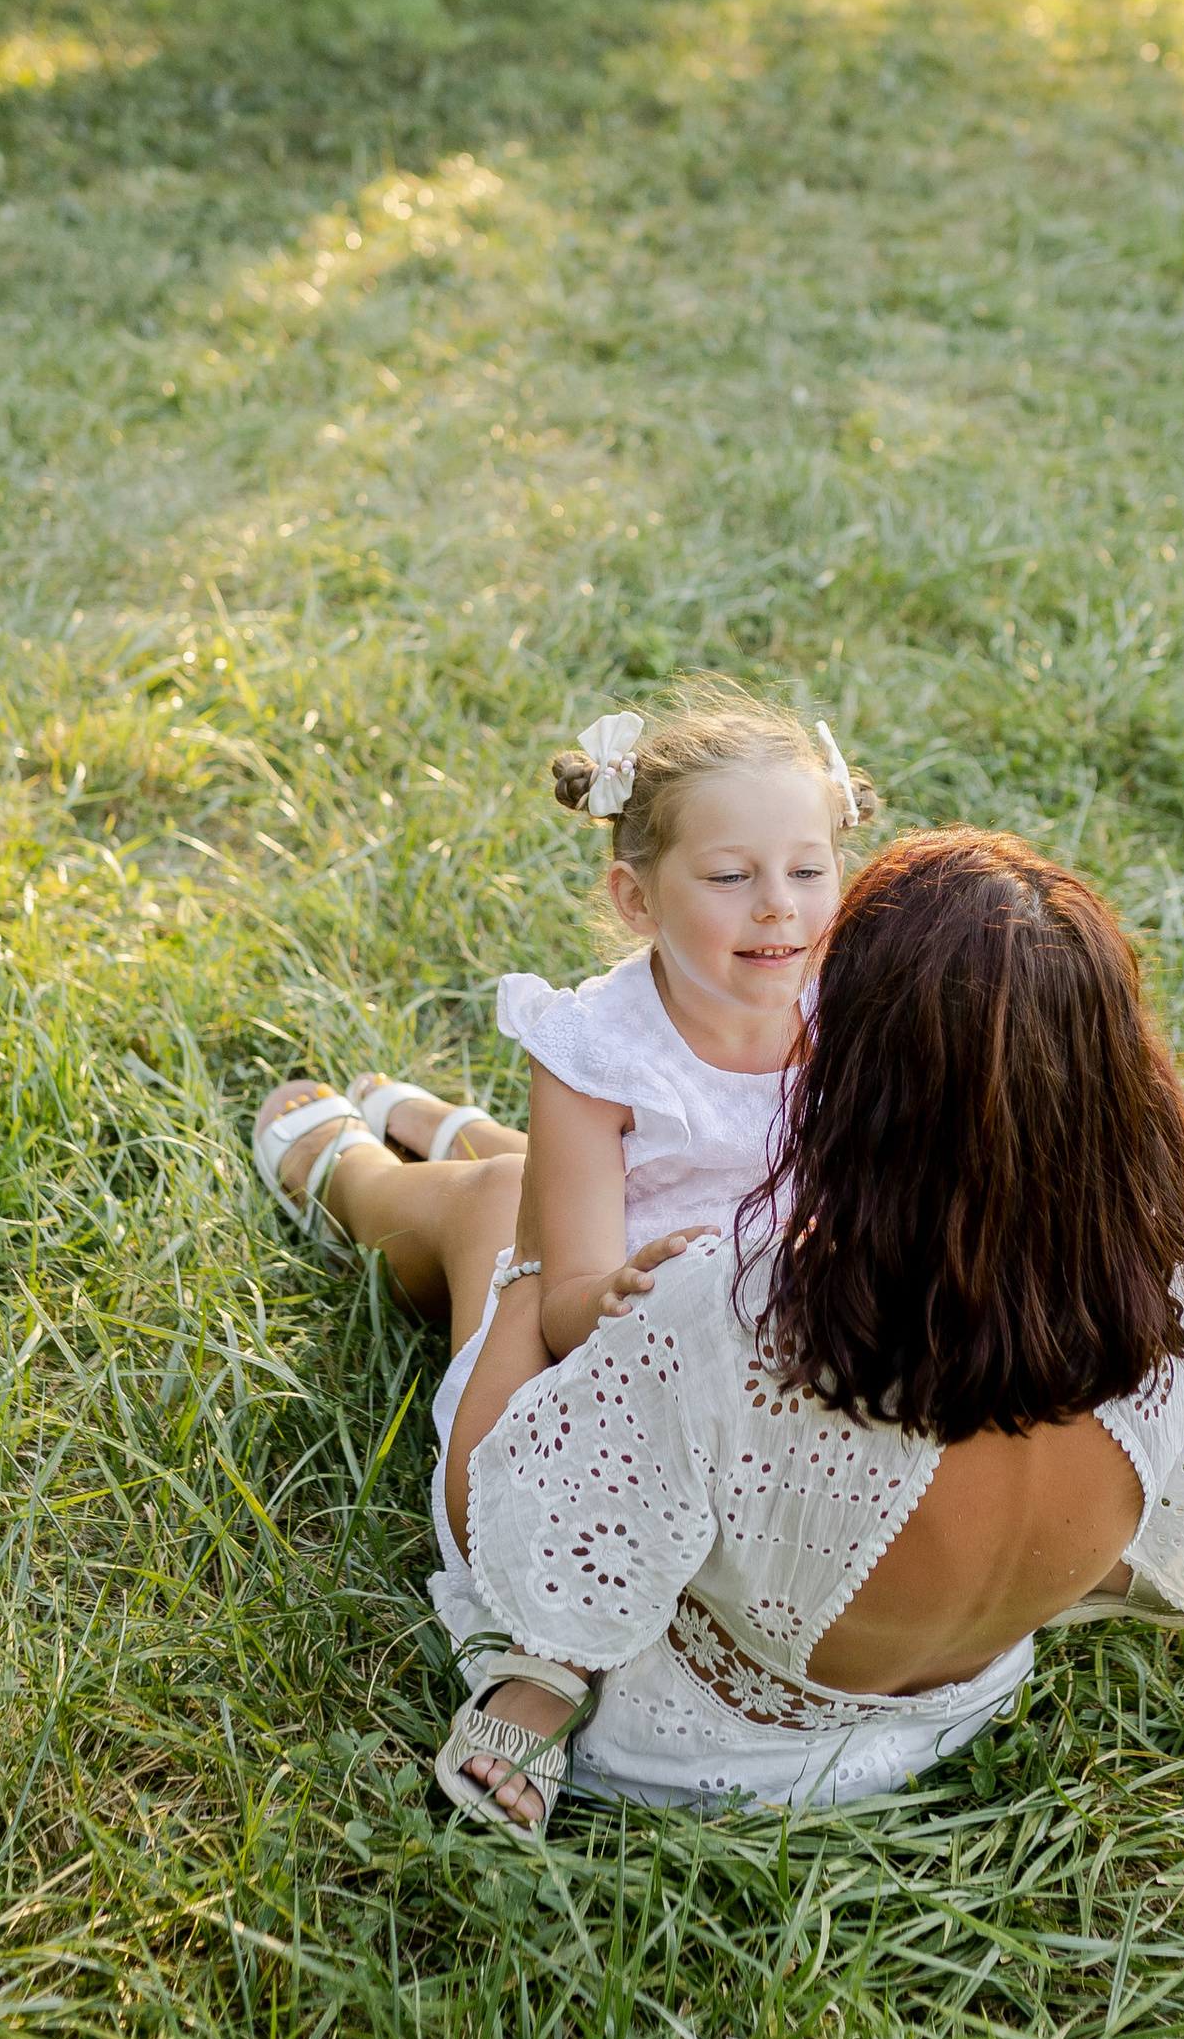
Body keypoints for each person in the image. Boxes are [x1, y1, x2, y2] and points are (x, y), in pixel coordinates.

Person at [429, 827, 1184, 1832]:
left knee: (499, 1198)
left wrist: (534, 1266)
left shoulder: (735, 1309)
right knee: (536, 1183)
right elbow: (1182, 1520)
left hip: (697, 1748)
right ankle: (439, 1135)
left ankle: (333, 1161)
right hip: (958, 1706)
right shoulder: (1173, 1270)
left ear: (862, 1080)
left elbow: (506, 1527)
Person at [249, 687, 877, 1789]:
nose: (778, 907)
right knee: (494, 1209)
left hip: (774, 1328)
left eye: (808, 870)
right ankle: (344, 1170)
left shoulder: (851, 1013)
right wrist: (635, 1289)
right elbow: (566, 1299)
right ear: (636, 899)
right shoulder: (595, 1047)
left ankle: (451, 1128)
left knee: (513, 1175)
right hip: (602, 1329)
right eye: (731, 878)